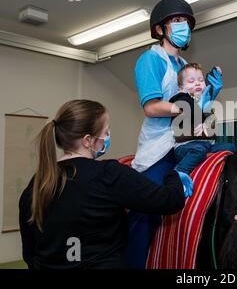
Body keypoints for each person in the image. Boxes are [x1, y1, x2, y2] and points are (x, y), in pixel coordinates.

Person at [18, 100, 190, 269]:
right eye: (106, 132)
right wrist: (173, 175)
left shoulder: (38, 182)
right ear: (88, 140)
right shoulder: (108, 174)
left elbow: (30, 253)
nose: (107, 137)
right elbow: (169, 200)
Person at [129, 0, 223, 268]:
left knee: (228, 154)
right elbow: (151, 107)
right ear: (160, 30)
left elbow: (197, 104)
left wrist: (209, 94)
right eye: (177, 21)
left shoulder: (184, 67)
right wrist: (187, 107)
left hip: (186, 139)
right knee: (144, 212)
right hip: (159, 146)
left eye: (187, 23)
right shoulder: (150, 60)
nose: (184, 27)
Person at [169, 63, 235, 176]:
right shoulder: (180, 98)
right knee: (199, 150)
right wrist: (202, 106)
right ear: (181, 88)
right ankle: (179, 172)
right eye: (191, 81)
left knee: (230, 147)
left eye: (201, 80)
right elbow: (192, 110)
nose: (197, 83)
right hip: (186, 147)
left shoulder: (205, 101)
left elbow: (212, 129)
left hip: (206, 145)